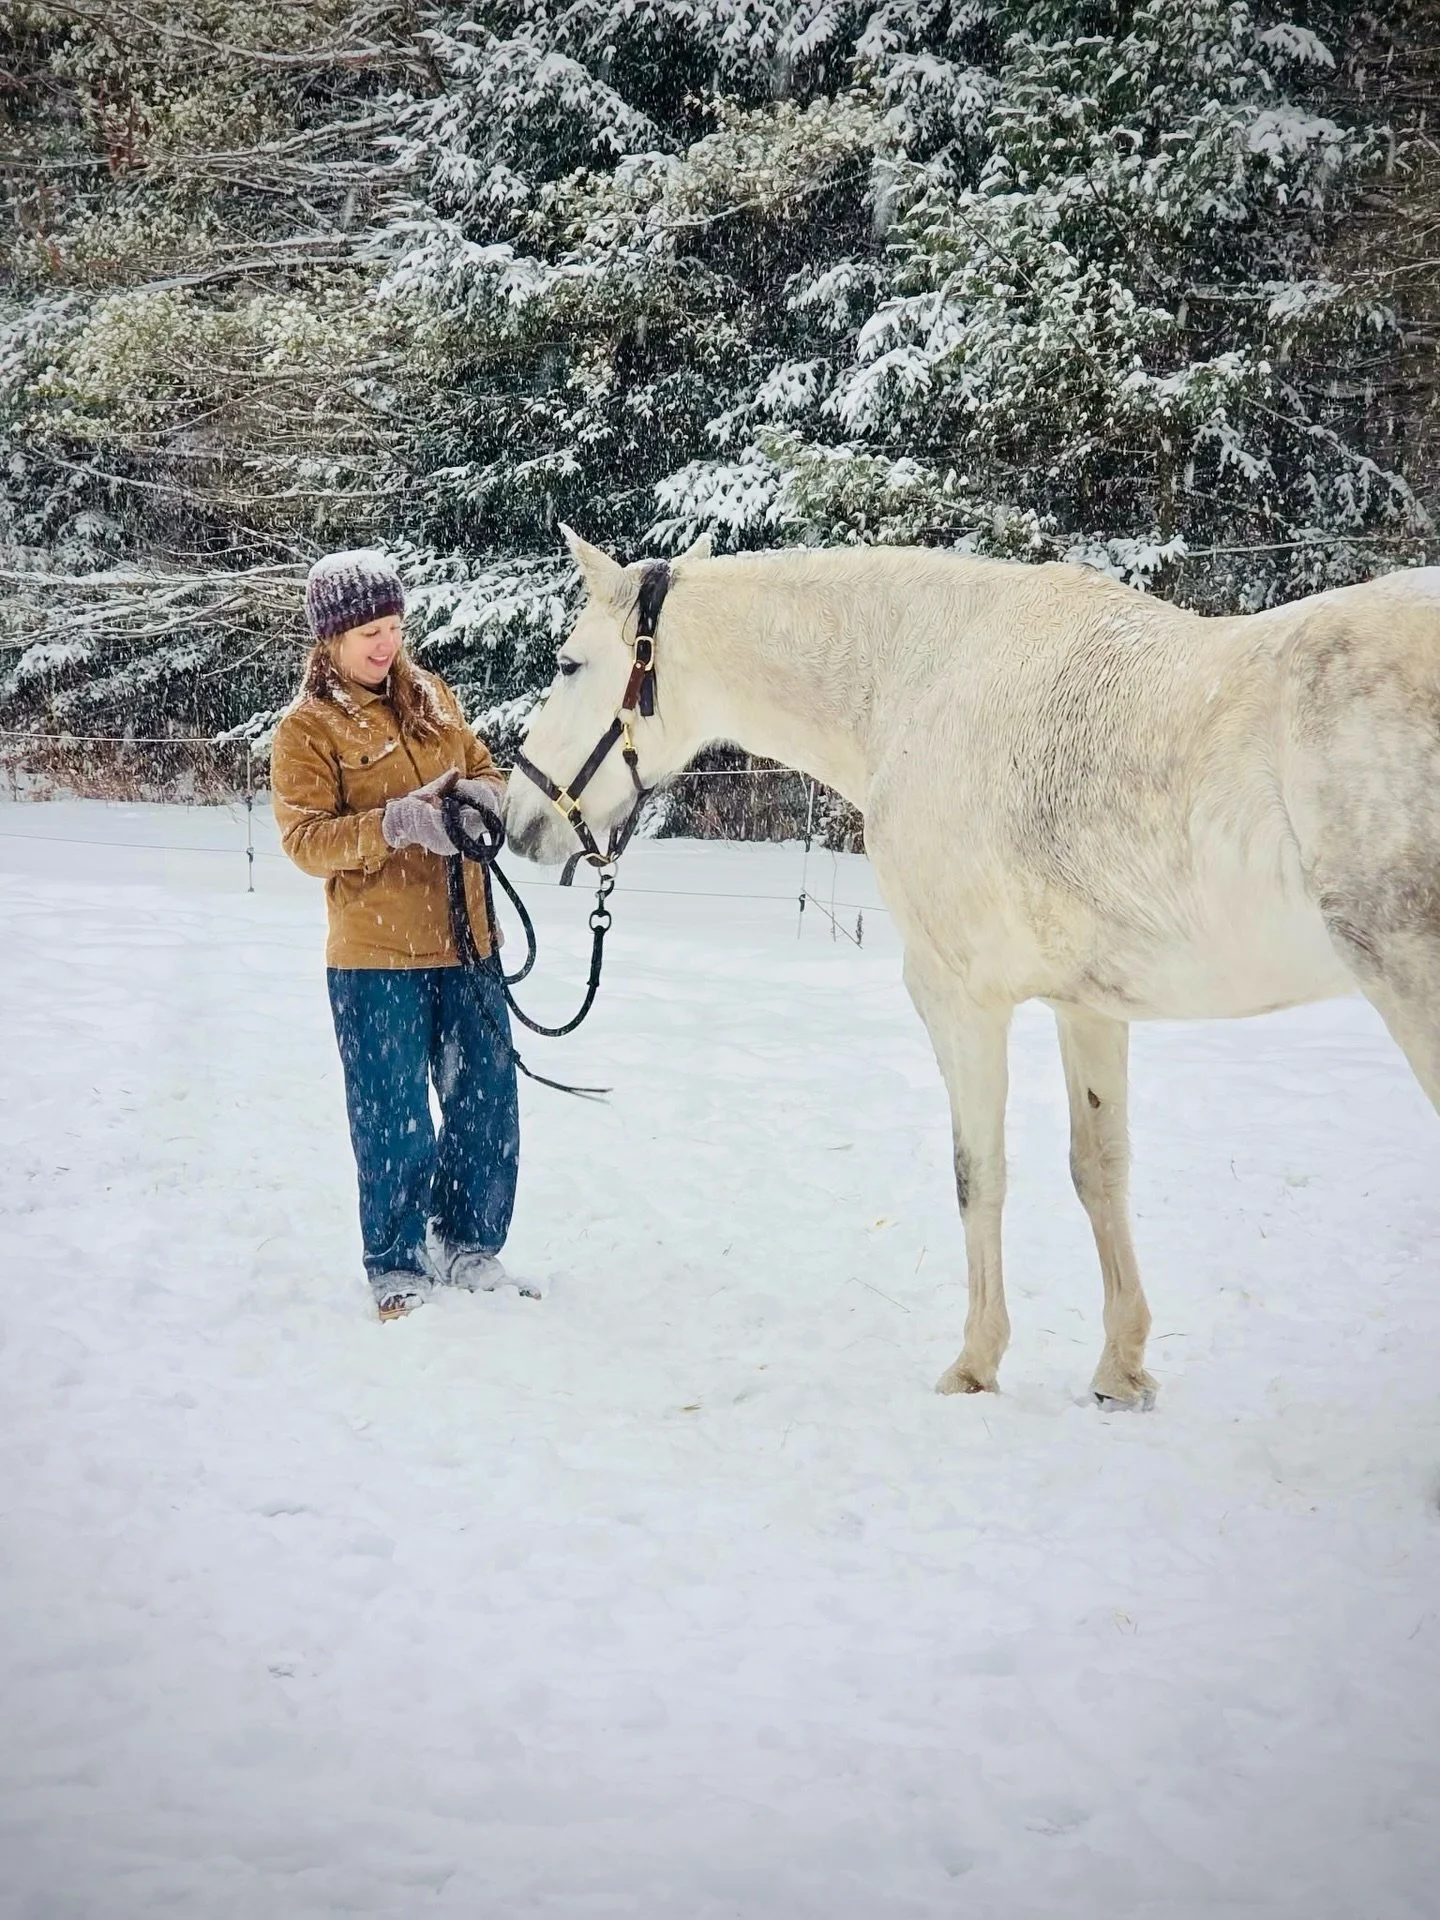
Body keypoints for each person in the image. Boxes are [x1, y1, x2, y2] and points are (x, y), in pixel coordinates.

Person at [271, 549, 528, 1321]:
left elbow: (488, 769)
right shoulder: (307, 729)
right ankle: (396, 1260)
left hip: (469, 940)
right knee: (392, 1113)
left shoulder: (433, 696)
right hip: (376, 956)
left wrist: (482, 798)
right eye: (367, 633)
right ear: (329, 641)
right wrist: (395, 821)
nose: (385, 645)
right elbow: (305, 841)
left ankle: (469, 1243)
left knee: (486, 1101)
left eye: (392, 626)